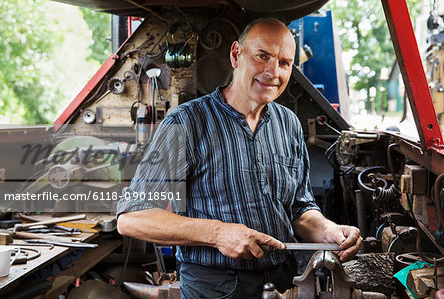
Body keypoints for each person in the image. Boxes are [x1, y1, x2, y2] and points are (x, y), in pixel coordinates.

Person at [116, 18, 362, 298]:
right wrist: (218, 234)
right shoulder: (186, 123)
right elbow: (132, 217)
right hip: (216, 287)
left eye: (284, 62)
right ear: (236, 55)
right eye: (262, 56)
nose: (272, 72)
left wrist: (330, 231)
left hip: (285, 281)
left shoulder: (289, 124)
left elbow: (299, 210)